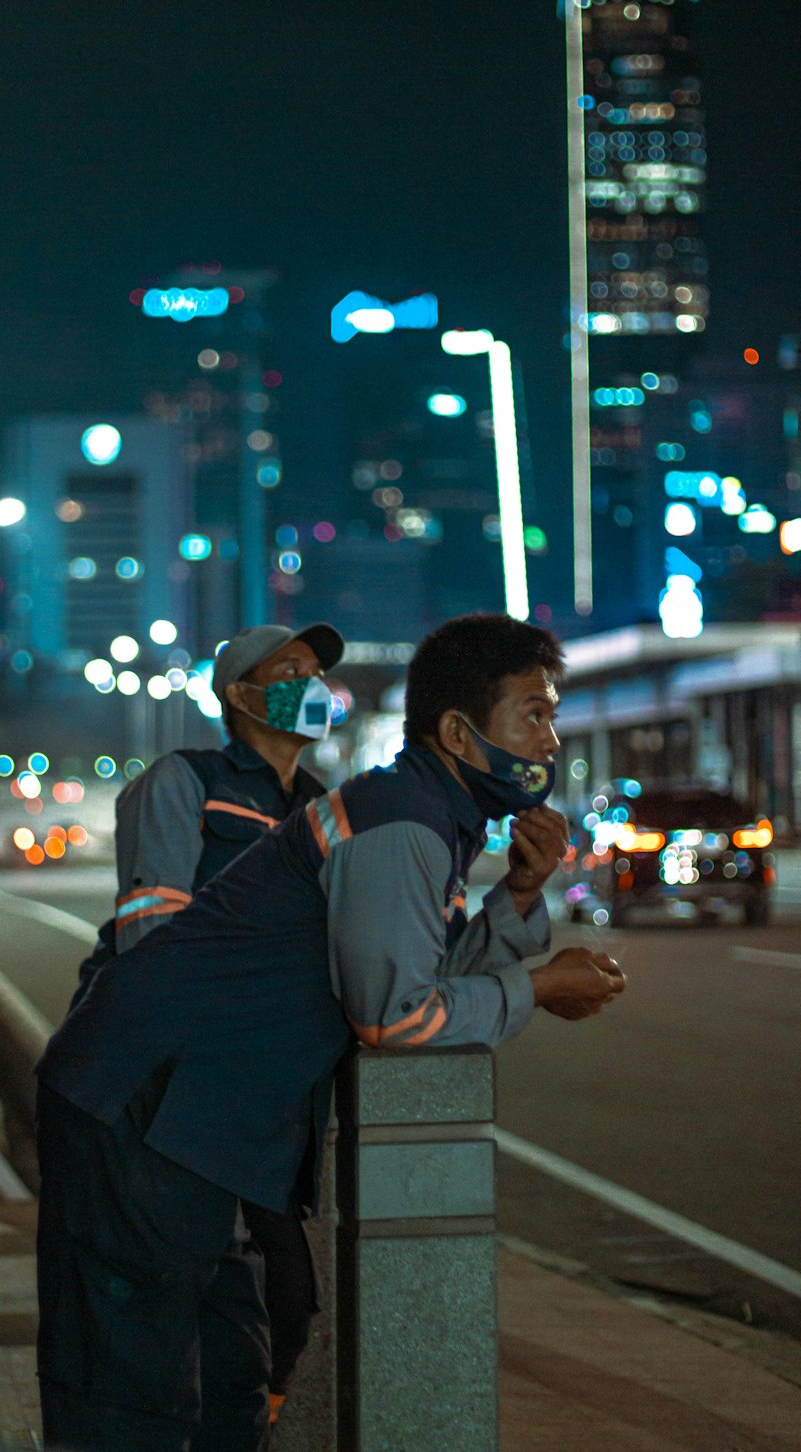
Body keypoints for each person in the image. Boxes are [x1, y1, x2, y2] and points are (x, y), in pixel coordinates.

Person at [35, 613, 626, 1452]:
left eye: (552, 715)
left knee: (233, 1373)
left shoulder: (406, 811)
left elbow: (422, 971)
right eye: (534, 713)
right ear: (459, 731)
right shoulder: (395, 819)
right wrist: (535, 987)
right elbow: (397, 1014)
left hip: (211, 1122)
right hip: (143, 1103)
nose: (551, 739)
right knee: (134, 1392)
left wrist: (521, 898)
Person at [72, 621, 346, 1427]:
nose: (314, 685)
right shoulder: (184, 781)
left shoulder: (326, 808)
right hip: (169, 1090)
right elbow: (154, 936)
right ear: (240, 695)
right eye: (290, 670)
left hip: (264, 1097)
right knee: (183, 1296)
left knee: (287, 1299)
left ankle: (243, 1426)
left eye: (317, 672)